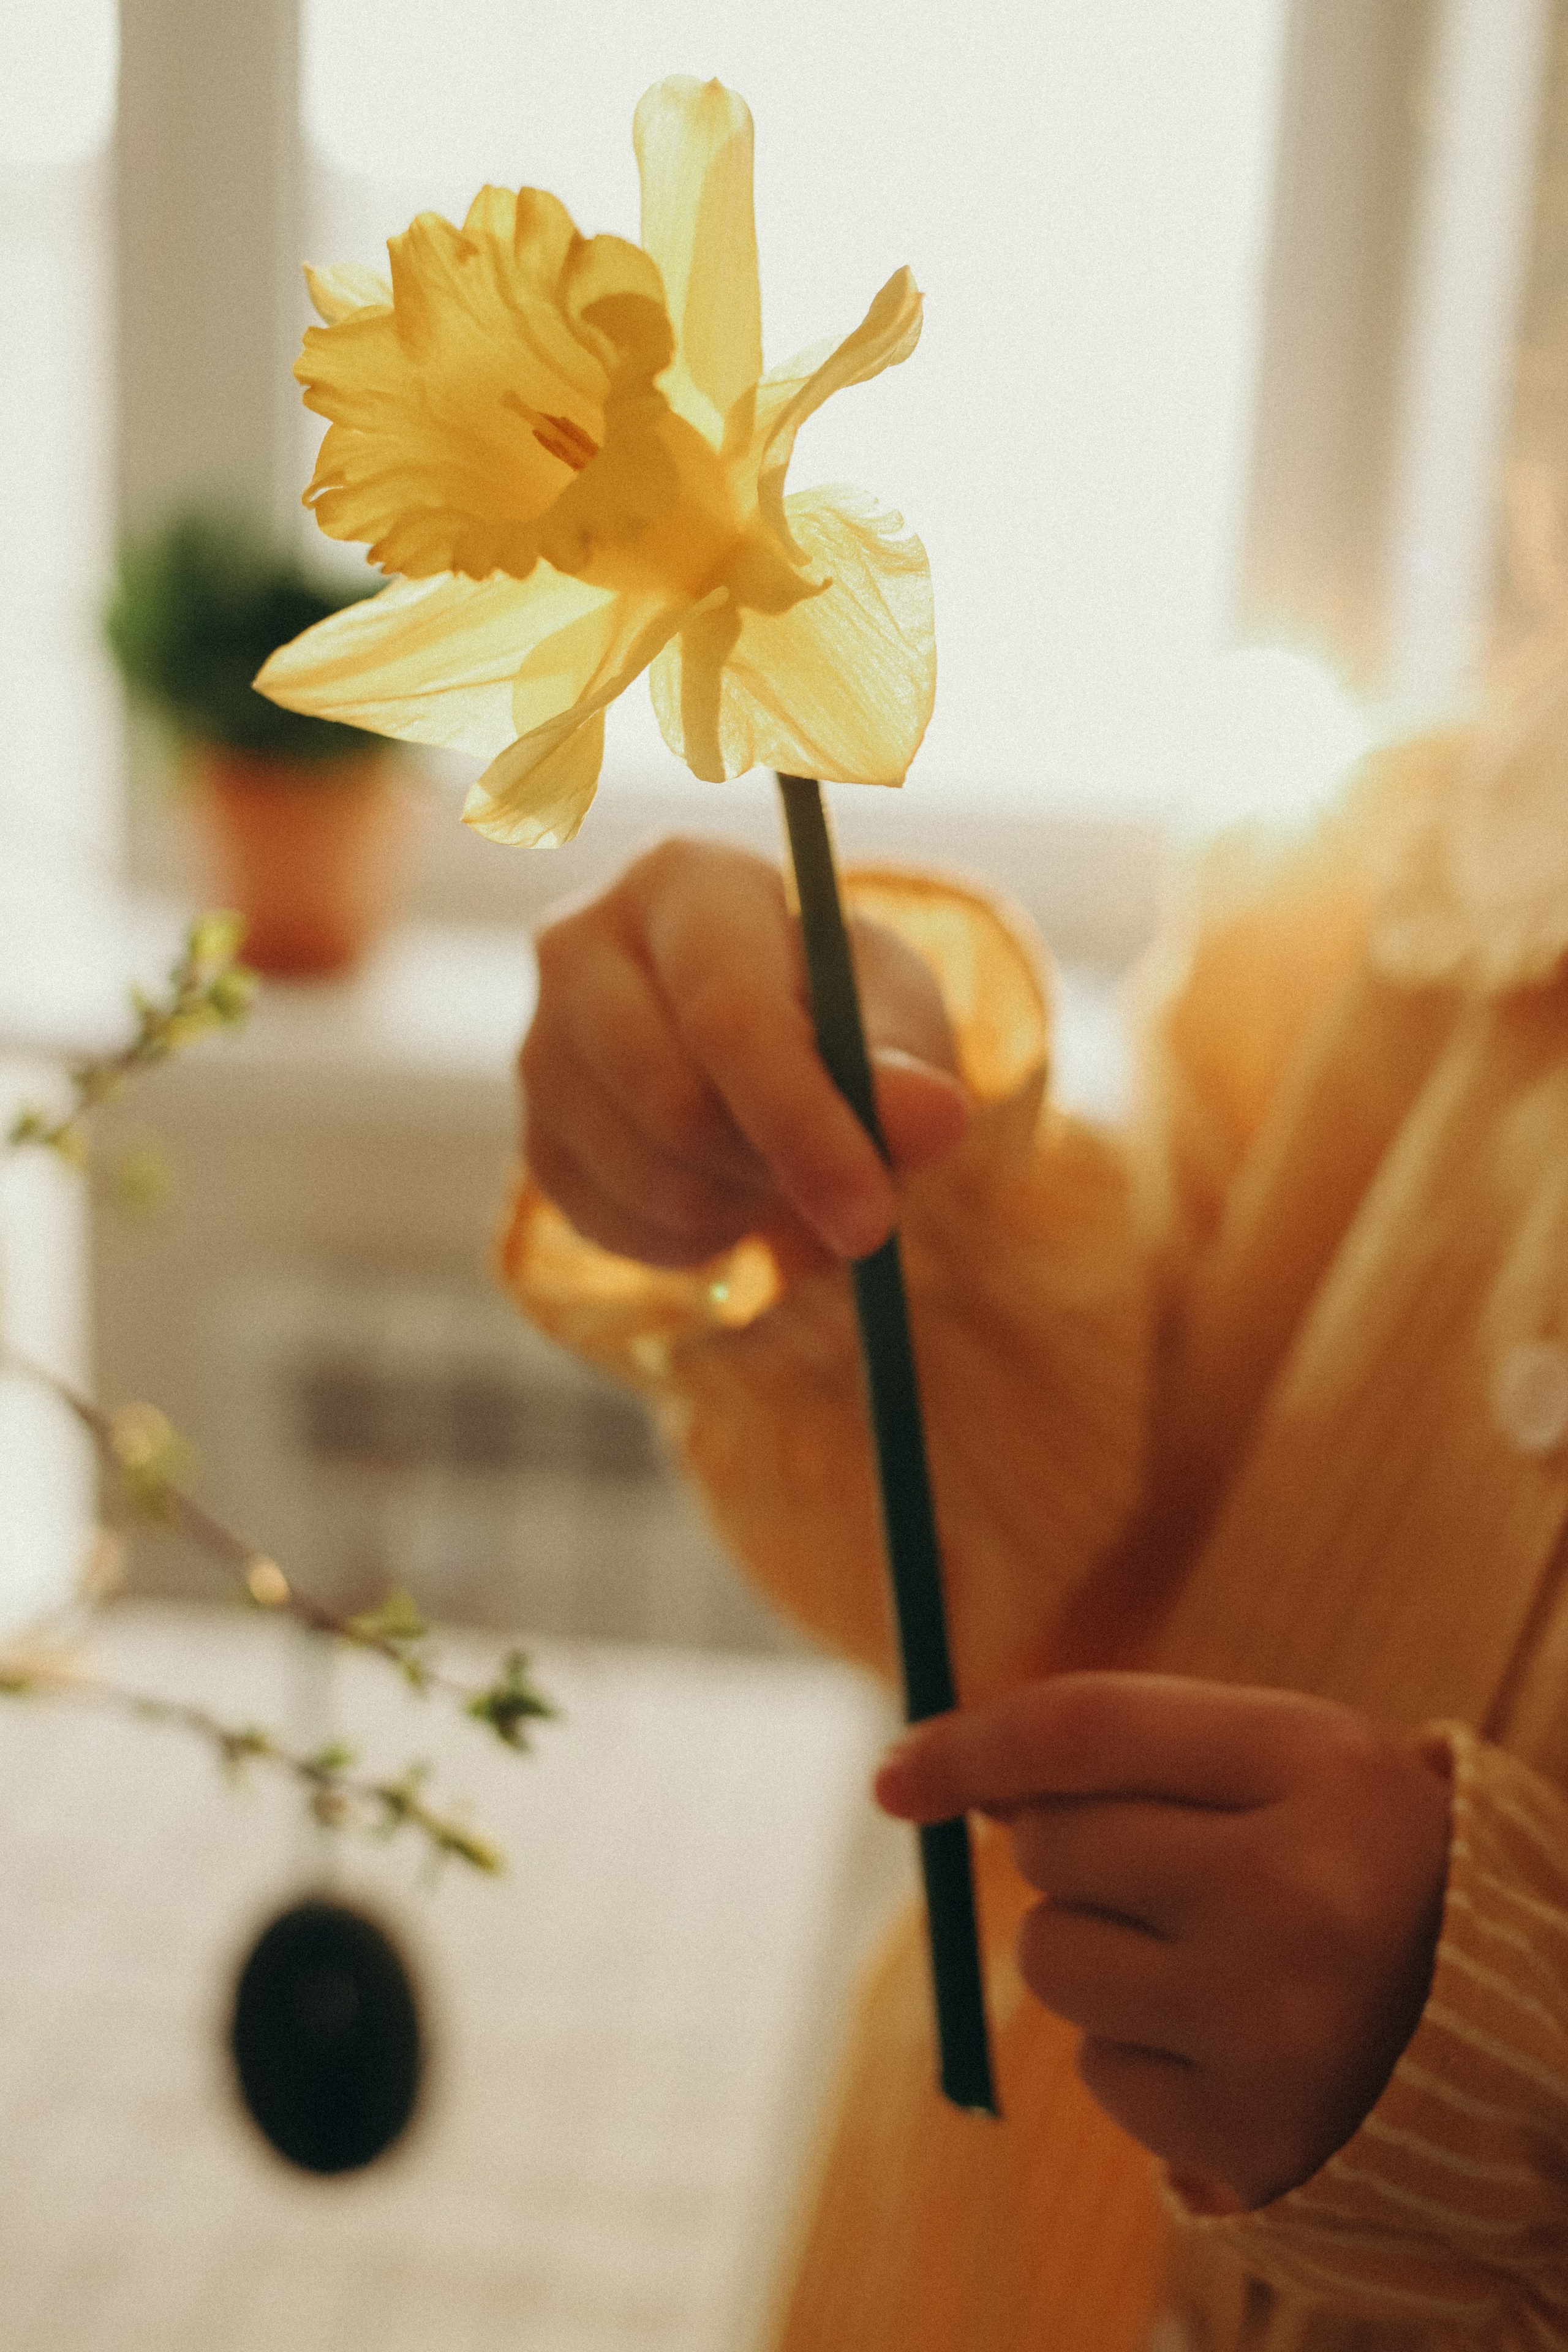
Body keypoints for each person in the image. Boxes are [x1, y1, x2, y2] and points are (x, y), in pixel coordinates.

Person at [502, 649, 1568, 2351]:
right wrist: (879, 1208)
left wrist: (1504, 2067)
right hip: (976, 2267)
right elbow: (1025, 1571)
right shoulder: (1378, 881)